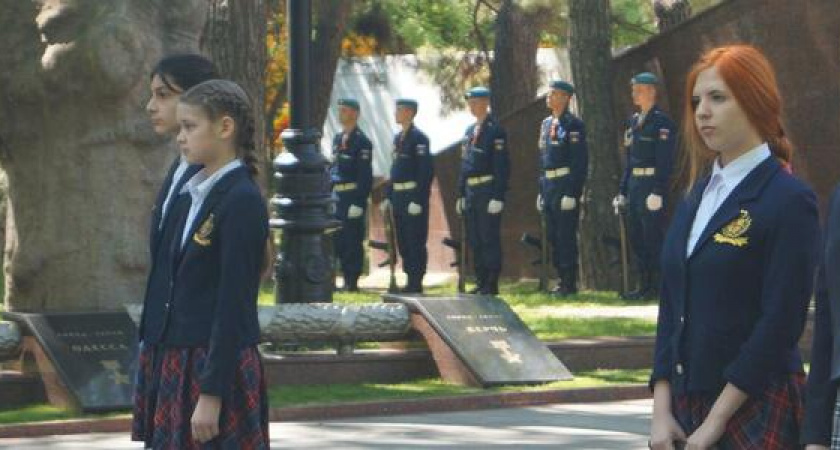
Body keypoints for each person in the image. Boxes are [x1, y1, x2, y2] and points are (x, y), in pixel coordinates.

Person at [648, 45, 819, 450]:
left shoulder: (788, 199)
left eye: (717, 98)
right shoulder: (695, 196)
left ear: (756, 101)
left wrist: (716, 421)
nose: (702, 111)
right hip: (685, 408)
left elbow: (781, 322)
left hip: (756, 403)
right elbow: (672, 306)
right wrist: (660, 410)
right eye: (696, 101)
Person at [133, 79, 270, 449]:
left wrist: (211, 393)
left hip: (213, 364)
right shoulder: (187, 195)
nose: (181, 137)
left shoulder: (241, 200)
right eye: (180, 128)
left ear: (225, 128)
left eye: (190, 127)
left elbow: (233, 305)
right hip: (175, 357)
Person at [613, 72, 677, 300]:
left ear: (651, 91)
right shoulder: (634, 122)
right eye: (633, 89)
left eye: (638, 89)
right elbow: (629, 162)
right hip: (635, 185)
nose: (634, 93)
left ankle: (658, 287)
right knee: (637, 238)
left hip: (651, 185)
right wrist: (622, 191)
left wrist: (658, 190)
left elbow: (665, 161)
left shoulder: (662, 123)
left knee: (653, 238)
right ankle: (643, 285)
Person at [456, 87, 510, 295]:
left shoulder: (495, 130)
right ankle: (480, 280)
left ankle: (491, 282)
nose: (472, 106)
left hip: (487, 190)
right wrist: (461, 193)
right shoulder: (469, 132)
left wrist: (498, 195)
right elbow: (465, 165)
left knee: (488, 238)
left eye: (476, 102)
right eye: (470, 102)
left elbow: (502, 166)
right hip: (471, 191)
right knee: (474, 238)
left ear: (486, 102)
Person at [536, 80, 588, 297]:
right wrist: (541, 189)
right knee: (553, 235)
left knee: (565, 235)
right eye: (549, 93)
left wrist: (572, 192)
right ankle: (559, 278)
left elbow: (579, 162)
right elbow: (543, 158)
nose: (550, 96)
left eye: (554, 93)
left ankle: (569, 281)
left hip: (565, 184)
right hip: (549, 184)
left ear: (566, 98)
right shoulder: (546, 124)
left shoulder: (573, 125)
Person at [380, 98, 434, 293]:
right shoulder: (398, 138)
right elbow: (394, 170)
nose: (395, 114)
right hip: (399, 196)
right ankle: (408, 277)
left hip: (412, 195)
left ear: (409, 112)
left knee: (415, 239)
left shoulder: (419, 139)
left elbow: (425, 171)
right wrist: (388, 196)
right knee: (402, 240)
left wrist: (418, 199)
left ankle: (416, 280)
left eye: (399, 110)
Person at [329, 98, 373, 292]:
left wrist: (359, 201)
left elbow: (365, 175)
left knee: (352, 240)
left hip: (351, 196)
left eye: (344, 111)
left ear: (355, 114)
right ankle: (338, 280)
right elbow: (333, 168)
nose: (341, 114)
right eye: (340, 110)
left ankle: (351, 281)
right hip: (336, 197)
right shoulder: (338, 139)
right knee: (336, 240)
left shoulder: (362, 142)